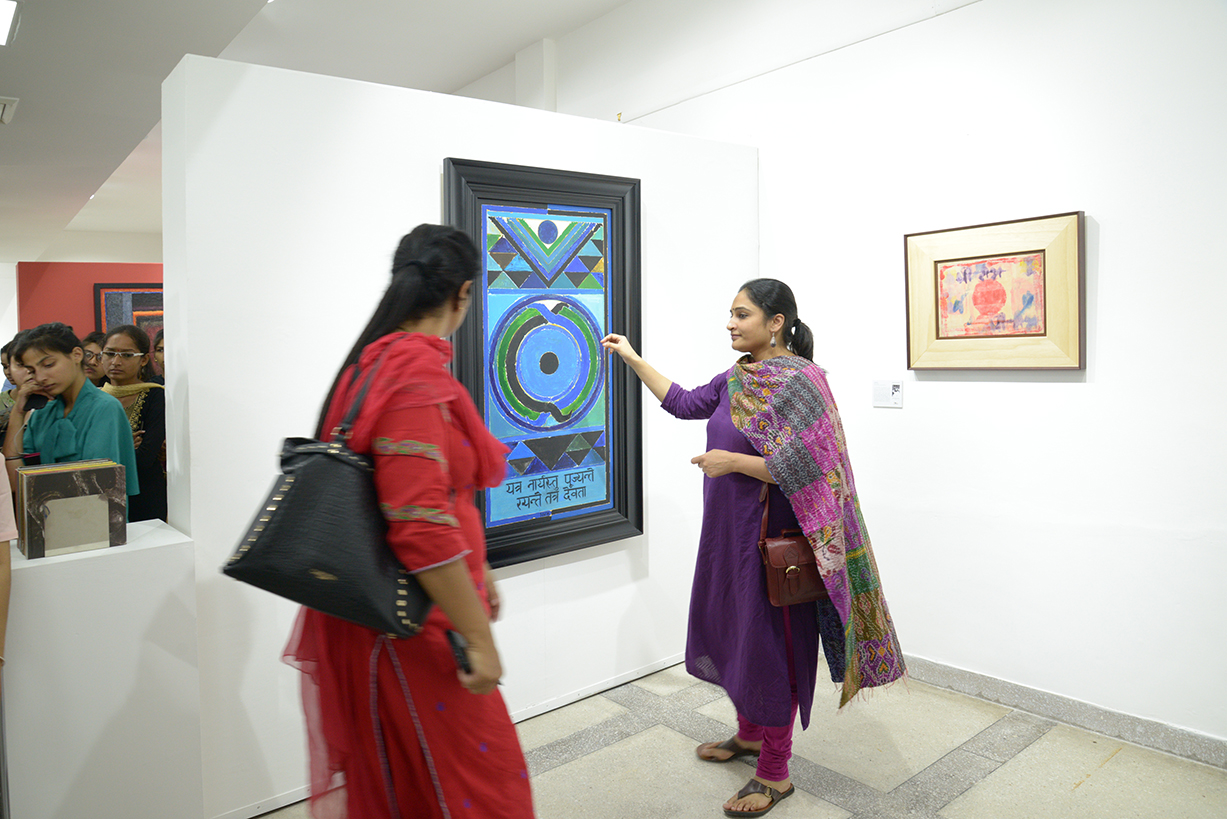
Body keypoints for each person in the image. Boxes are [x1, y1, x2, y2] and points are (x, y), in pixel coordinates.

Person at [602, 279, 905, 817]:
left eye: (742, 314)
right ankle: (748, 734)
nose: (731, 323)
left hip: (773, 547)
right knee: (734, 633)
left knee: (772, 649)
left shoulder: (802, 383)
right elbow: (684, 403)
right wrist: (631, 356)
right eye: (731, 313)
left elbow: (816, 470)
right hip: (728, 535)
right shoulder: (737, 376)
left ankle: (775, 773)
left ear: (776, 322)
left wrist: (734, 462)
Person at [282, 224, 534, 819]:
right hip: (416, 624)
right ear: (463, 294)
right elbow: (420, 528)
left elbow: (434, 498)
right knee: (476, 792)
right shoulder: (413, 378)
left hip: (392, 611)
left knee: (416, 784)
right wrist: (479, 638)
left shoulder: (369, 365)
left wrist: (481, 570)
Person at [2, 323, 139, 511]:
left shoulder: (104, 408)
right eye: (32, 370)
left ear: (76, 354)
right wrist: (18, 412)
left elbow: (96, 489)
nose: (40, 377)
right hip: (45, 520)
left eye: (48, 365)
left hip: (93, 520)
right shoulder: (43, 413)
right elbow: (15, 482)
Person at [101, 325, 166, 522]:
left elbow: (146, 458)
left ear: (143, 359)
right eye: (109, 354)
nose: (116, 362)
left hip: (144, 496)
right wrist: (126, 446)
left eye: (127, 355)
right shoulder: (95, 398)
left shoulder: (155, 395)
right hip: (99, 495)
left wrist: (108, 450)